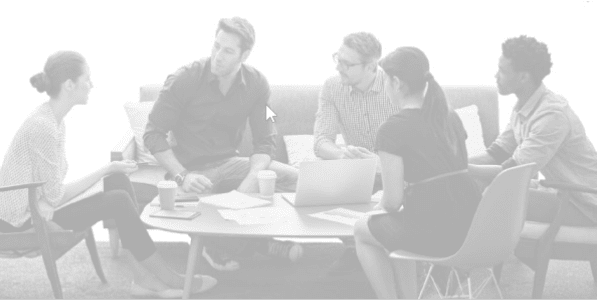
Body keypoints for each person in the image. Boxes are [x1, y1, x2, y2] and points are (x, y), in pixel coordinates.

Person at [0, 51, 217, 298]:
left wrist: (103, 174)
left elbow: (51, 191)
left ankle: (143, 279)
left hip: (35, 205)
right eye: (87, 79)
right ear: (69, 85)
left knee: (117, 180)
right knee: (117, 199)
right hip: (21, 221)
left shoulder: (52, 119)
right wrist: (104, 169)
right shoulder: (44, 127)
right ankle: (167, 278)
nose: (91, 84)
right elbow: (55, 194)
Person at [143, 17, 302, 272]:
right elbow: (153, 133)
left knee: (298, 179)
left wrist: (253, 176)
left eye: (227, 51)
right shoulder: (184, 78)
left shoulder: (257, 84)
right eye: (216, 46)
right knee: (197, 207)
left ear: (245, 54)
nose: (218, 55)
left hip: (230, 163)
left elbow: (266, 139)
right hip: (190, 169)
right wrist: (182, 175)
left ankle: (225, 244)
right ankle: (255, 245)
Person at [353, 47, 481, 299]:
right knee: (394, 230)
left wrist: (371, 212)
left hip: (436, 232)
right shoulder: (449, 116)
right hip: (471, 226)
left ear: (396, 83)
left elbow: (391, 202)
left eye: (385, 81)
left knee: (361, 229)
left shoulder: (392, 129)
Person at [469, 35, 597, 227]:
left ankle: (494, 256)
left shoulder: (552, 116)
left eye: (502, 71)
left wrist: (461, 169)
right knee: (476, 187)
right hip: (564, 194)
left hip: (586, 205)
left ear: (523, 77)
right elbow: (496, 154)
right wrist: (454, 163)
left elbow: (510, 172)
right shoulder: (523, 106)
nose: (496, 75)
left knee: (496, 196)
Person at [313, 32, 398, 275]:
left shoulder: (395, 86)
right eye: (337, 59)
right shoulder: (332, 87)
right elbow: (321, 142)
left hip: (396, 170)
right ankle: (354, 247)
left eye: (346, 64)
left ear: (371, 66)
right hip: (357, 172)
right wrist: (343, 156)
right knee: (315, 184)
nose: (339, 67)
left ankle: (388, 248)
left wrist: (382, 164)